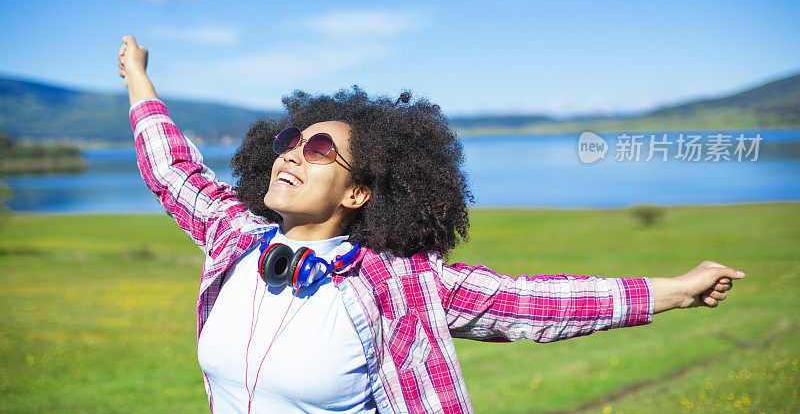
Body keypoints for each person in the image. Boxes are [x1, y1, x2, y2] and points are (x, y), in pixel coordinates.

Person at [117, 35, 746, 414]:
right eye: (290, 140)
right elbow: (172, 169)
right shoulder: (235, 235)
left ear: (359, 192)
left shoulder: (401, 286)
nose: (290, 153)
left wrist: (675, 290)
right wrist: (141, 79)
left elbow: (532, 303)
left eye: (318, 150)